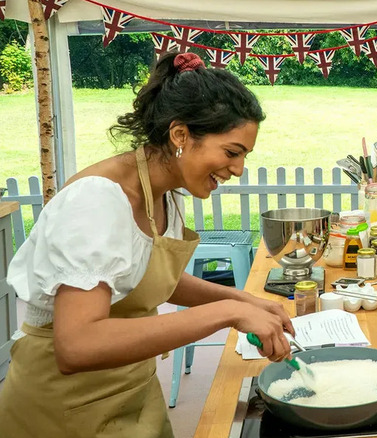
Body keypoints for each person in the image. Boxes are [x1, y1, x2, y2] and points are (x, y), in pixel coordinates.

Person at [0, 52, 295, 438]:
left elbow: (146, 280)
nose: (238, 169)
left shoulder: (165, 195)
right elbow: (77, 345)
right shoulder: (98, 202)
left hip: (133, 392)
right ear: (180, 135)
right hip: (65, 409)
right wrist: (224, 312)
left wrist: (245, 300)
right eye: (232, 152)